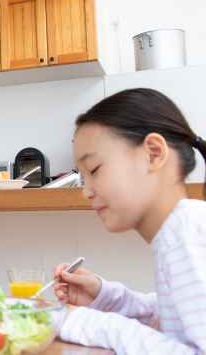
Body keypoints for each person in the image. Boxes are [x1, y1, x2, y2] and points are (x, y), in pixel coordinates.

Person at [53, 88, 206, 354]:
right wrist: (105, 298)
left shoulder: (187, 230)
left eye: (95, 169)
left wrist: (83, 322)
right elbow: (175, 316)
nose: (86, 190)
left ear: (153, 153)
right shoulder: (182, 228)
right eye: (82, 177)